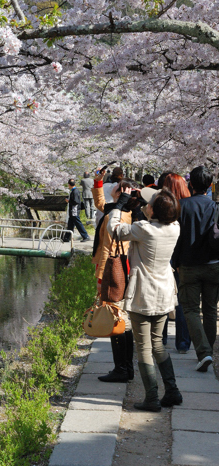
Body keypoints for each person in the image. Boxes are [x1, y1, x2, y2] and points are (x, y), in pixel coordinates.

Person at [108, 187, 182, 411]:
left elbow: (115, 230)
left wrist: (118, 206)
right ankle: (172, 391)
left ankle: (151, 398)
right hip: (164, 293)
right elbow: (154, 217)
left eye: (149, 203)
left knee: (143, 348)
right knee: (158, 344)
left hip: (143, 294)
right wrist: (143, 201)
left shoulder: (143, 229)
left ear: (154, 210)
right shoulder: (175, 227)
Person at [173, 165, 219, 372]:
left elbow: (176, 238)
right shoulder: (216, 207)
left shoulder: (181, 206)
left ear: (190, 184)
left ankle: (204, 352)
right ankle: (208, 350)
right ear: (209, 185)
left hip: (189, 265)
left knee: (191, 309)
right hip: (213, 264)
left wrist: (174, 263)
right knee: (210, 310)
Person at [92, 171, 134, 383]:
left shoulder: (119, 215)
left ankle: (122, 368)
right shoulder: (122, 211)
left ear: (121, 193)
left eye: (115, 189)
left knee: (114, 317)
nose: (112, 191)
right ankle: (126, 367)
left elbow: (109, 247)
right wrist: (98, 181)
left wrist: (101, 275)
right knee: (122, 319)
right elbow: (101, 203)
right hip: (121, 269)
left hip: (113, 270)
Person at [161, 174, 191, 353]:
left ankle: (161, 338)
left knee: (164, 298)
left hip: (165, 257)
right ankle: (182, 342)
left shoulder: (163, 206)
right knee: (182, 301)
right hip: (184, 259)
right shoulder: (188, 205)